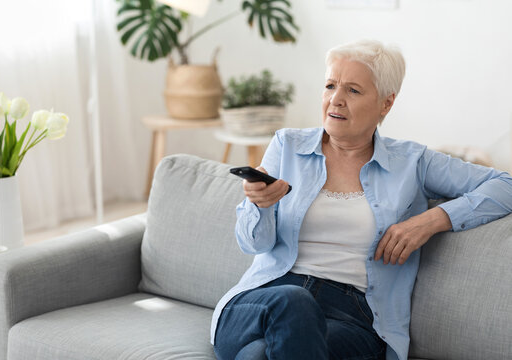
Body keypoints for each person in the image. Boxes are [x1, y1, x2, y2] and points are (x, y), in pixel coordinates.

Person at [210, 40, 512, 360]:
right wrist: (260, 205)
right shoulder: (286, 145)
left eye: (353, 90)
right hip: (266, 299)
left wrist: (431, 220)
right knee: (292, 303)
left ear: (386, 103)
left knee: (258, 355)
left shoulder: (413, 162)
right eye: (330, 86)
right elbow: (253, 244)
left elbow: (505, 184)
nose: (335, 100)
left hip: (351, 317)